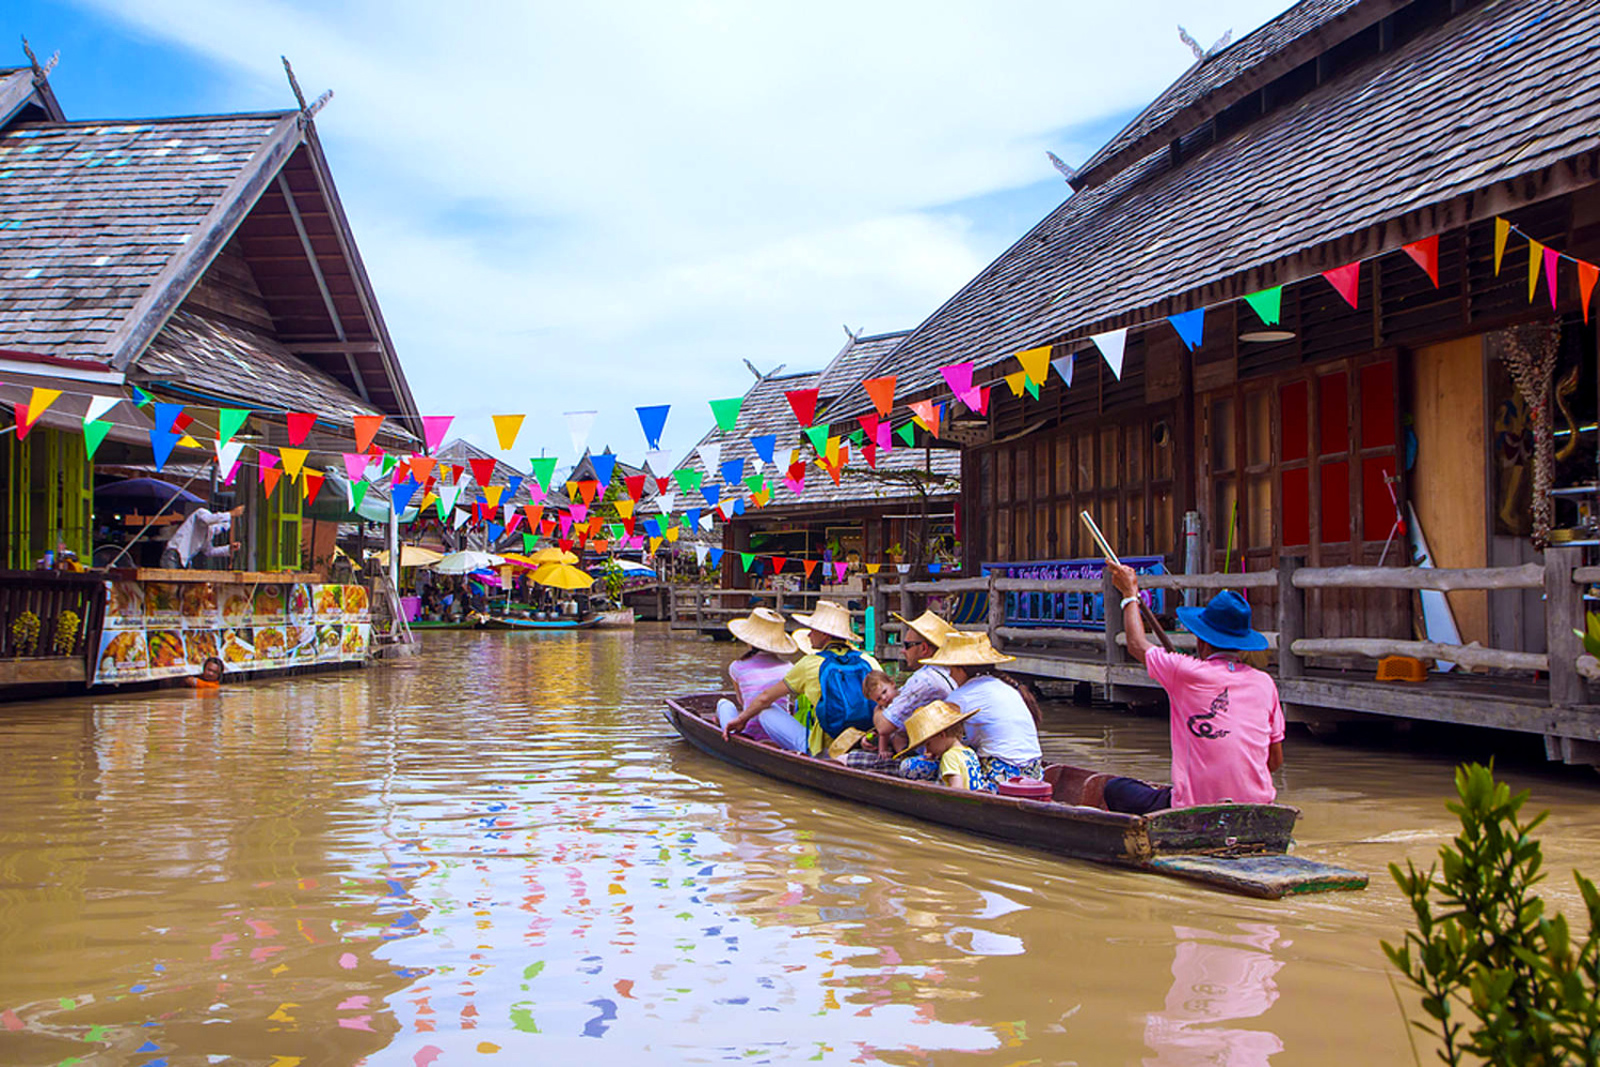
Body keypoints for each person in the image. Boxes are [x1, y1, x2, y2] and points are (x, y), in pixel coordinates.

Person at [1103, 563, 1285, 814]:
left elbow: (1135, 644)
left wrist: (1129, 595)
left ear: (1202, 642)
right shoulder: (1265, 683)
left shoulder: (1186, 672)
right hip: (1259, 808)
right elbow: (1274, 761)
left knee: (1114, 788)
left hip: (1194, 809)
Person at [723, 600, 881, 754]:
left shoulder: (809, 663)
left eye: (813, 629)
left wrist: (741, 719)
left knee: (766, 709)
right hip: (861, 740)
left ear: (825, 635)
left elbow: (765, 698)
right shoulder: (868, 660)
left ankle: (810, 752)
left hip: (823, 749)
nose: (810, 634)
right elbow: (887, 700)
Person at [921, 631, 1045, 785]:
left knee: (912, 767)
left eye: (951, 669)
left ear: (961, 669)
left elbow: (945, 737)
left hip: (1002, 775)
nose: (951, 676)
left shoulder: (960, 697)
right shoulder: (1006, 686)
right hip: (1036, 773)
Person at [871, 610, 958, 758]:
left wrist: (878, 710)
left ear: (923, 648)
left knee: (846, 759)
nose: (903, 651)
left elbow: (884, 726)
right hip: (935, 747)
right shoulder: (945, 672)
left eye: (907, 645)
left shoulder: (924, 680)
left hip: (929, 755)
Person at [715, 608, 799, 747]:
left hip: (749, 732)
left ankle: (722, 725)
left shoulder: (737, 666)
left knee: (723, 703)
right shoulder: (789, 667)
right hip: (777, 734)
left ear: (749, 641)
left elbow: (742, 702)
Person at [894, 700, 989, 792]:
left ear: (942, 735)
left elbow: (957, 789)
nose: (927, 750)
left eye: (928, 744)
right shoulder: (969, 752)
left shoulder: (949, 756)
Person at [160, 505, 244, 569]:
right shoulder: (202, 513)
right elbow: (208, 519)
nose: (219, 530)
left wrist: (229, 548)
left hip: (182, 561)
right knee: (170, 587)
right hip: (173, 555)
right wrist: (232, 513)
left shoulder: (207, 534)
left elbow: (209, 551)